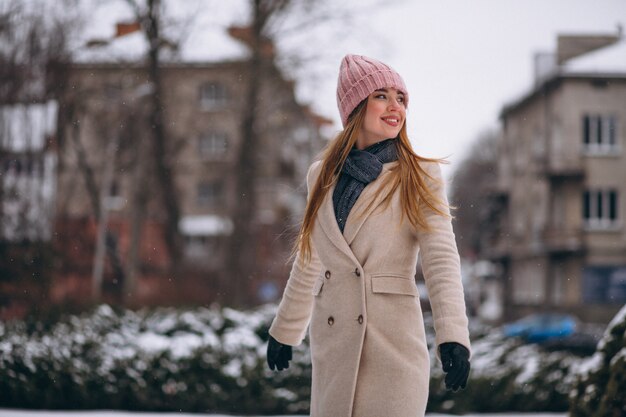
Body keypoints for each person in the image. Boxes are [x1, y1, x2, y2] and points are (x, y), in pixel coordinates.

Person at [266, 54, 471, 417]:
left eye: (401, 98)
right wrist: (284, 331)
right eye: (382, 96)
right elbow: (311, 257)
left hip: (392, 348)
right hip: (334, 348)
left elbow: (441, 259)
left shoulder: (419, 176)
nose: (396, 107)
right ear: (355, 107)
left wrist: (453, 336)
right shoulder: (322, 176)